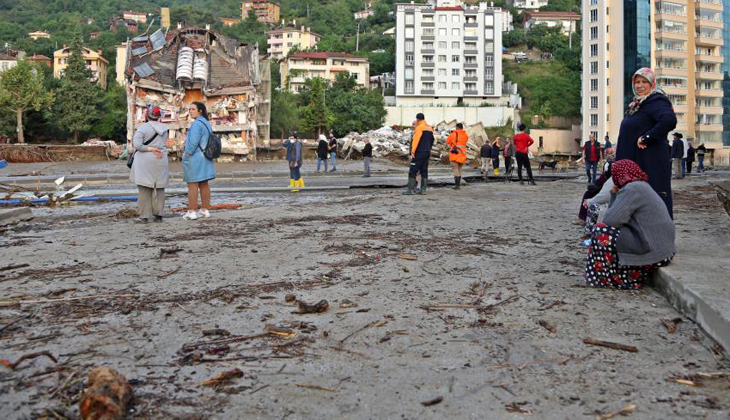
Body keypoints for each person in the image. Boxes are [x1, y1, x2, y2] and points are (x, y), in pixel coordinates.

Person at [583, 160, 675, 289]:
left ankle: (612, 278)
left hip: (652, 250)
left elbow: (610, 221)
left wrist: (614, 194)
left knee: (600, 231)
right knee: (605, 231)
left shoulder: (631, 189)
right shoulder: (641, 185)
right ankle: (614, 275)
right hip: (663, 250)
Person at [615, 67, 676, 217]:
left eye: (644, 82)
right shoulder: (637, 105)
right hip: (635, 164)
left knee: (654, 199)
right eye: (637, 82)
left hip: (649, 163)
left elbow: (669, 120)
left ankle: (659, 235)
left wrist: (646, 137)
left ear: (652, 84)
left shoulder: (656, 100)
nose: (640, 85)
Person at [130, 106, 169, 223]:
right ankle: (159, 215)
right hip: (161, 159)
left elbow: (137, 145)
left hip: (145, 161)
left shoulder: (143, 129)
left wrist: (150, 148)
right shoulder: (164, 128)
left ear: (147, 115)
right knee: (160, 188)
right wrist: (155, 148)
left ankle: (145, 216)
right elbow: (163, 143)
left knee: (145, 188)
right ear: (159, 116)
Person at [182, 102, 216, 220]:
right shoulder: (206, 123)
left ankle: (191, 211)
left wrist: (186, 154)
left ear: (200, 111)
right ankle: (205, 210)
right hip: (206, 157)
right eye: (189, 109)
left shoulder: (196, 124)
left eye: (193, 109)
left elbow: (193, 143)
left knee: (192, 184)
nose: (190, 111)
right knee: (204, 184)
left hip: (195, 158)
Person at [403, 113, 434, 195]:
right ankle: (422, 190)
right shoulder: (429, 128)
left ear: (417, 119)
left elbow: (416, 140)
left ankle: (410, 190)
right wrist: (429, 149)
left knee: (413, 170)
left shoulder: (419, 128)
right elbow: (432, 140)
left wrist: (413, 151)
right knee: (424, 170)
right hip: (427, 152)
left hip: (419, 152)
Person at [446, 123, 469, 189]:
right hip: (462, 155)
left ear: (456, 127)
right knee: (459, 169)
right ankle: (458, 185)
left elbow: (448, 141)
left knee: (455, 169)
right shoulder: (465, 135)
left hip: (454, 155)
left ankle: (457, 186)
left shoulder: (453, 134)